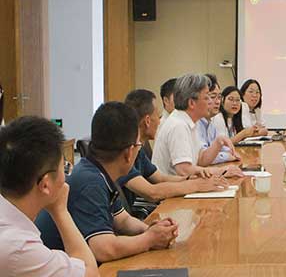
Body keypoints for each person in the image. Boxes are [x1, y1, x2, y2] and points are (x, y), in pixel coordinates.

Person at [0, 117, 101, 277]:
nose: (67, 175)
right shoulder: (17, 247)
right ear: (45, 184)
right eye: (65, 167)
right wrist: (60, 211)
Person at [35, 103, 179, 263]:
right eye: (138, 146)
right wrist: (149, 239)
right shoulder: (90, 182)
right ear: (129, 153)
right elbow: (103, 249)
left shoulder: (98, 171)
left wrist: (152, 230)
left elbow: (123, 220)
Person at [120, 89, 229, 208]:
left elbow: (160, 178)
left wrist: (190, 179)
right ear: (147, 121)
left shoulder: (139, 149)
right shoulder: (123, 153)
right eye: (157, 115)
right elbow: (152, 192)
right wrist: (197, 185)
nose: (159, 121)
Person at [152, 74, 242, 177]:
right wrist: (220, 171)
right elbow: (184, 170)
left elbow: (201, 159)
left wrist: (218, 143)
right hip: (174, 186)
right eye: (207, 97)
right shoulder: (178, 125)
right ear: (191, 103)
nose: (210, 102)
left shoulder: (189, 121)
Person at [196, 74, 239, 165]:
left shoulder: (210, 123)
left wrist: (232, 153)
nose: (218, 102)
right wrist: (227, 156)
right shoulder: (196, 124)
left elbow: (223, 149)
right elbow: (202, 158)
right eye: (212, 97)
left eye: (219, 97)